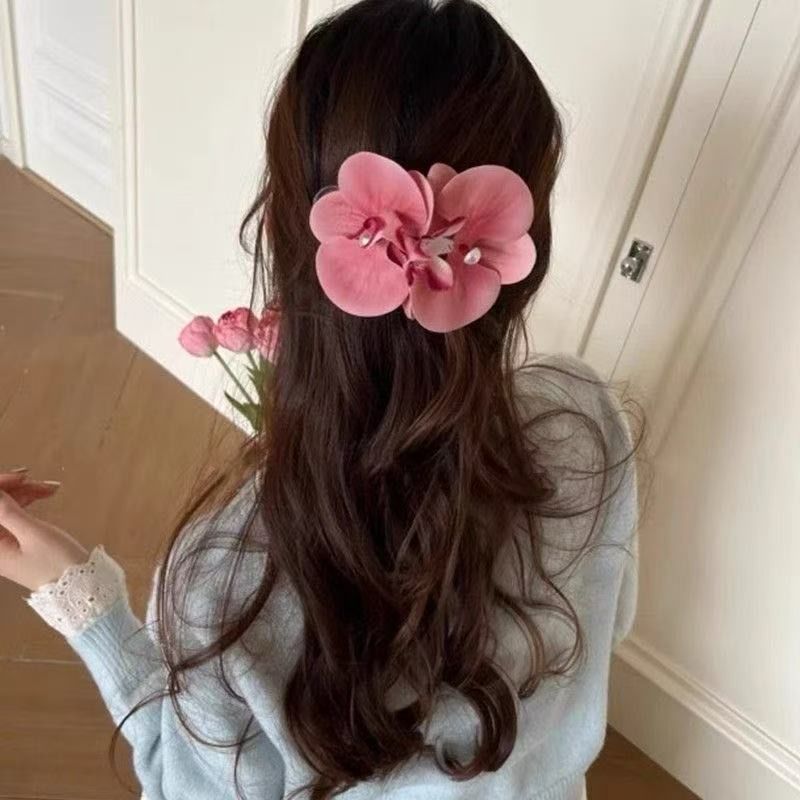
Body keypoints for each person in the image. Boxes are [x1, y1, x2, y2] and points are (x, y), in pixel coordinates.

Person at [0, 1, 639, 798]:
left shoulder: (223, 580)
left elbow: (185, 788)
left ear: (279, 233)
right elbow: (603, 629)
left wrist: (86, 604)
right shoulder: (587, 425)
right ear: (519, 248)